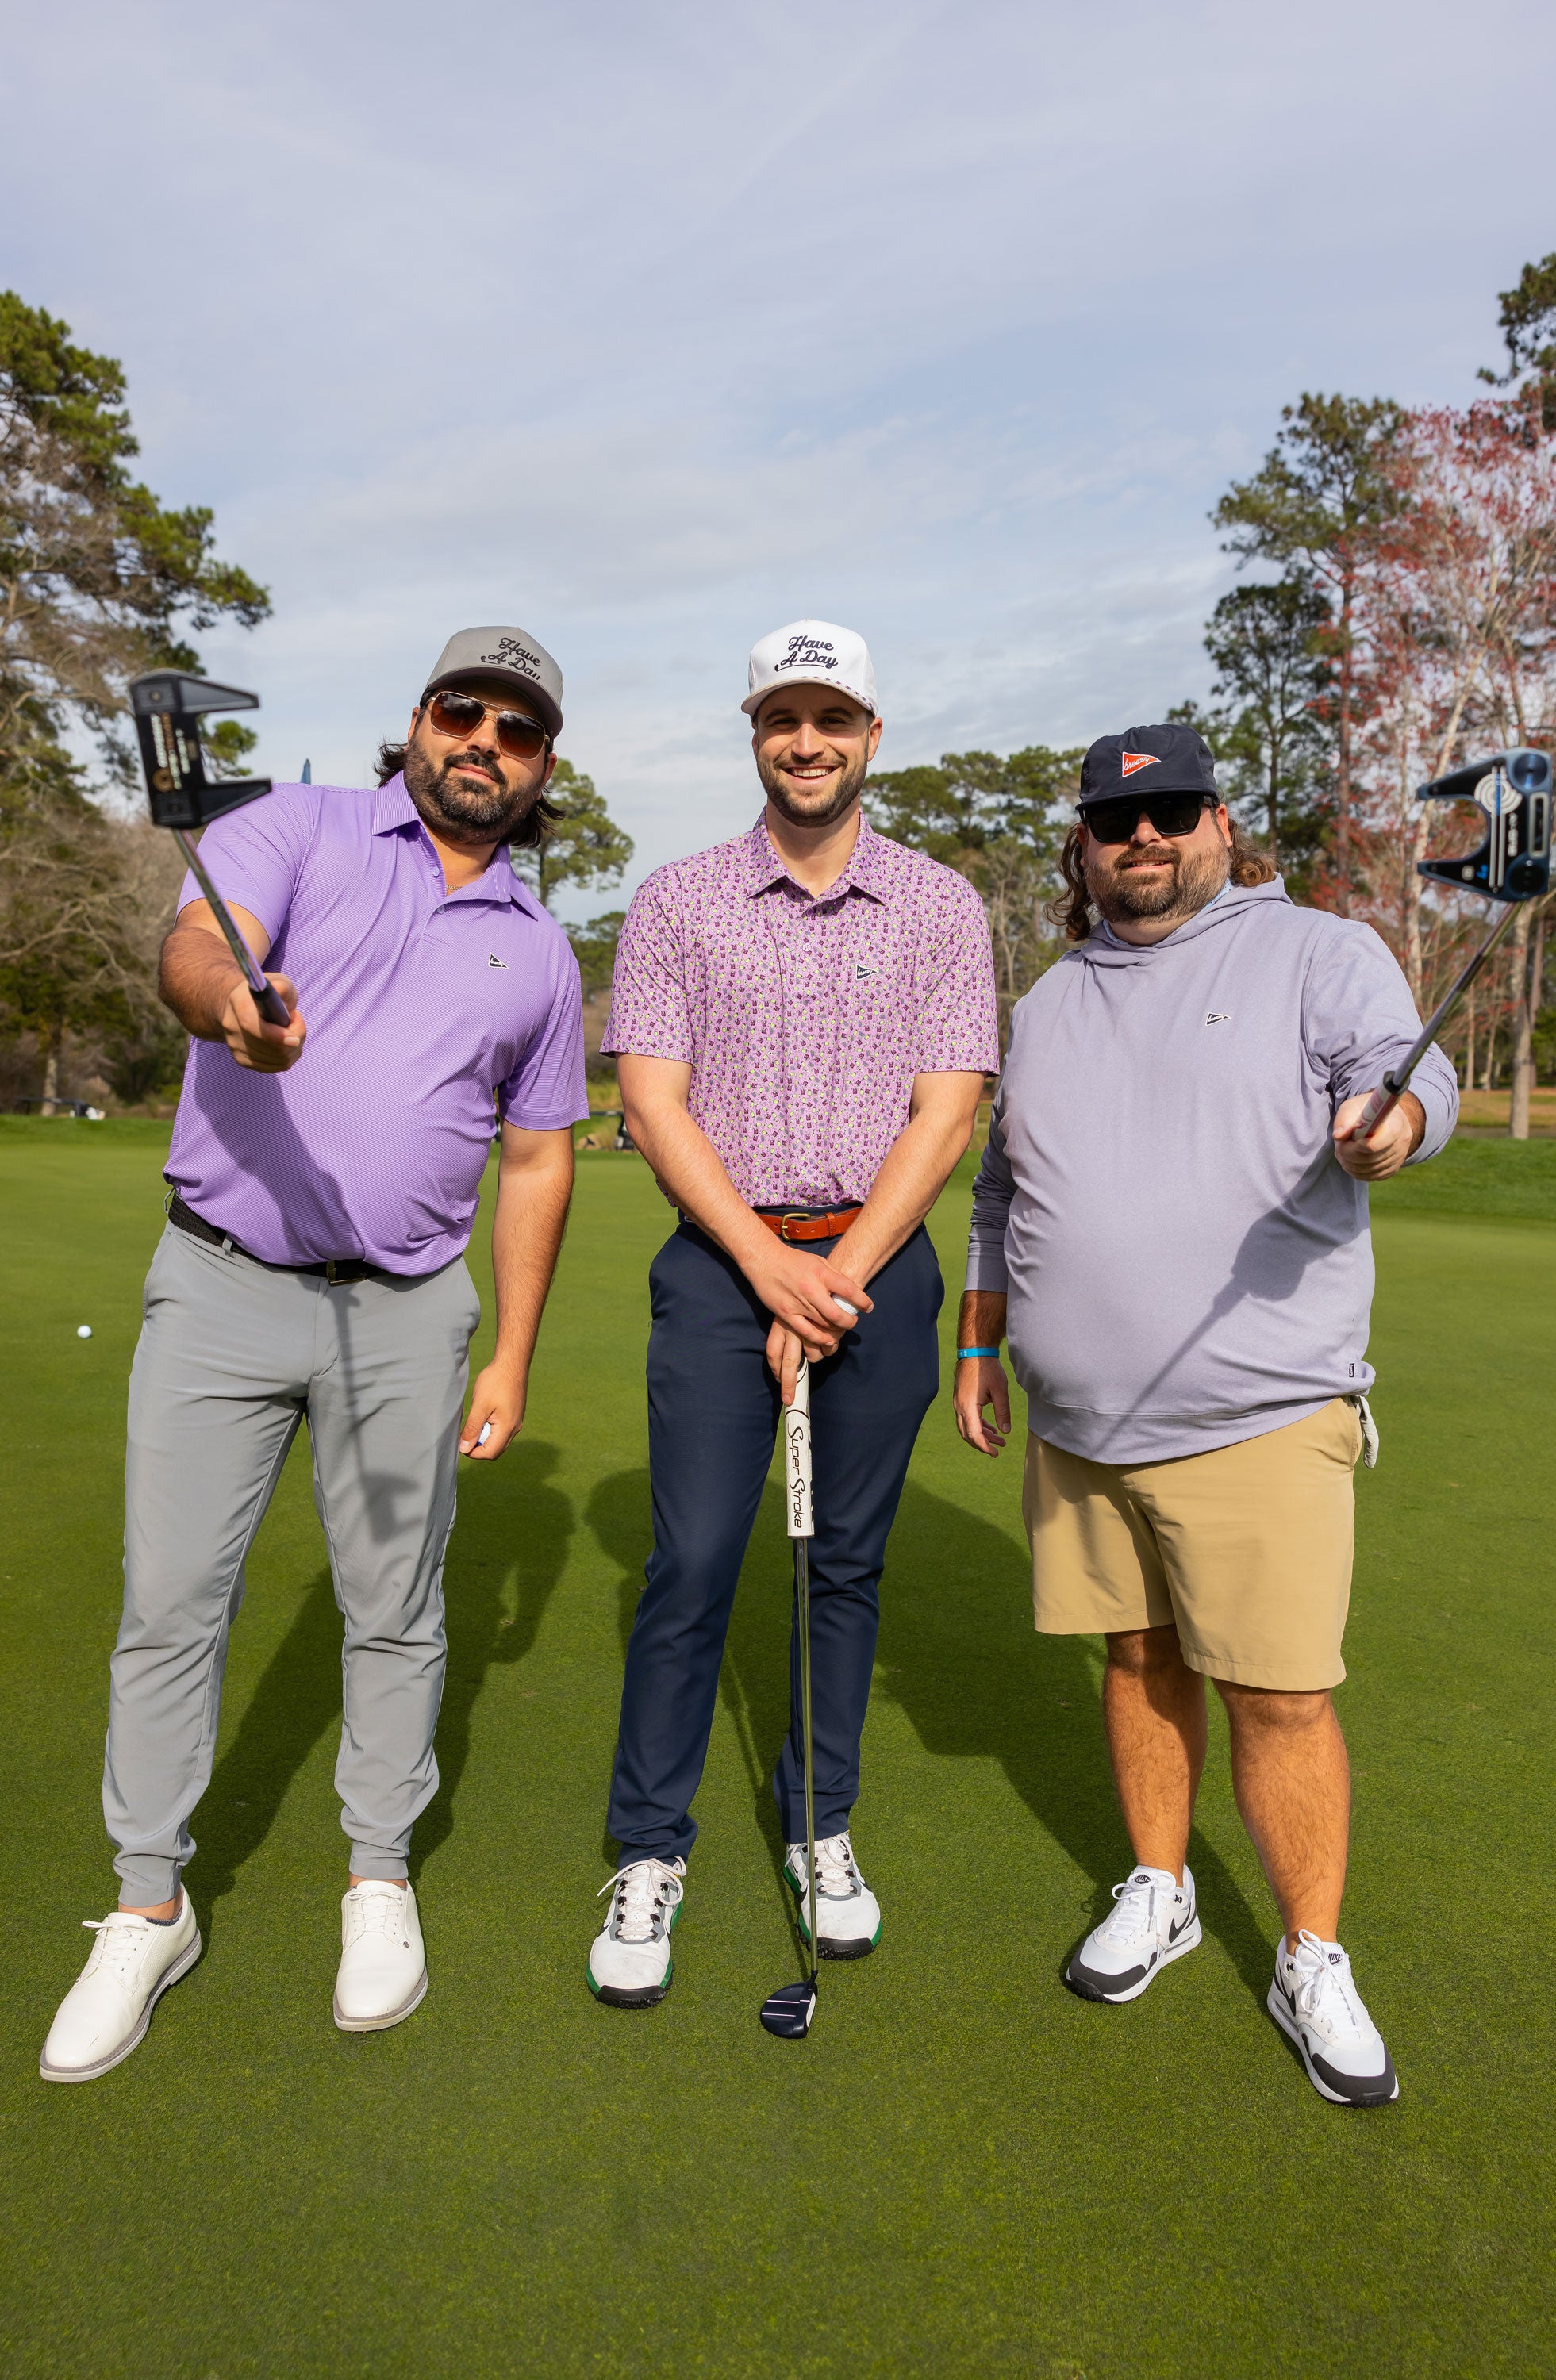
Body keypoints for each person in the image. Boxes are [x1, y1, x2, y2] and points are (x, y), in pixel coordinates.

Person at [40, 628, 587, 2082]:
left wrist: (511, 1353)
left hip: (408, 1314)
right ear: (417, 722)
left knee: (394, 1607)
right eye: (462, 711)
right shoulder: (294, 824)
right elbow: (198, 944)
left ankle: (377, 1877)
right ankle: (147, 1905)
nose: (484, 741)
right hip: (220, 1287)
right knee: (169, 1602)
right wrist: (233, 1008)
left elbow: (537, 1160)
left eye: (517, 730)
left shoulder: (540, 949)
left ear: (541, 770)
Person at [955, 722, 1458, 2108]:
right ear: (1087, 845)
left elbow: (1407, 1078)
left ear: (1222, 826)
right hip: (1084, 1418)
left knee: (1281, 1695)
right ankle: (1163, 1887)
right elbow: (1002, 1192)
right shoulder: (1048, 1001)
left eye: (1174, 814)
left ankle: (1310, 1952)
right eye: (1119, 823)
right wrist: (980, 1338)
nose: (1147, 840)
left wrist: (1391, 1126)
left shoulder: (1311, 950)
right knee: (1134, 1660)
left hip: (1260, 1408)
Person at [587, 620, 999, 2006]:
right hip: (721, 1268)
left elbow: (949, 1111)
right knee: (694, 1560)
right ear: (753, 732)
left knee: (845, 1566)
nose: (807, 740)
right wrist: (769, 1269)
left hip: (879, 1273)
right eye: (783, 717)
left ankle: (820, 1825)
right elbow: (651, 1097)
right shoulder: (679, 899)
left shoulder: (943, 906)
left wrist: (837, 1278)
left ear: (873, 735)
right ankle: (649, 1849)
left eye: (833, 716)